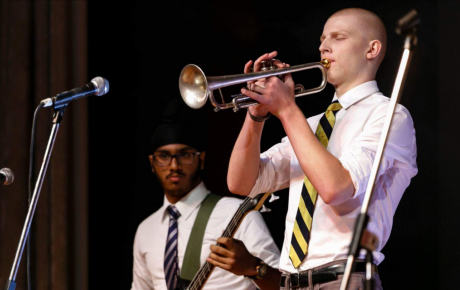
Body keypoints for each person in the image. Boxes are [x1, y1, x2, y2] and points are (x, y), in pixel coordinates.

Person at [227, 8, 417, 290]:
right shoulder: (310, 125)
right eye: (322, 39)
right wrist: (255, 116)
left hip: (345, 278)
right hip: (289, 282)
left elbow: (336, 188)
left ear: (372, 49)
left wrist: (288, 110)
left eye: (338, 37)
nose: (323, 47)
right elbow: (241, 182)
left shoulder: (389, 116)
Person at [131, 101, 281, 290]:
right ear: (152, 163)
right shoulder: (146, 230)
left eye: (185, 155)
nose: (174, 166)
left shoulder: (236, 214)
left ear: (201, 160)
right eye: (164, 156)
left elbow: (283, 286)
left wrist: (254, 267)